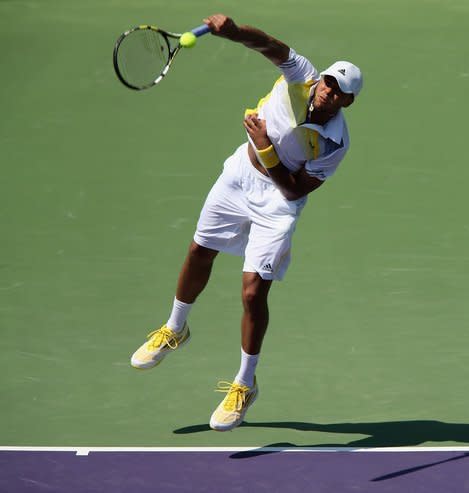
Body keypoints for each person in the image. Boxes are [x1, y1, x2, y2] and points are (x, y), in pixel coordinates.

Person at [129, 13, 362, 431]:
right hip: (238, 177)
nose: (327, 91)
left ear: (347, 102)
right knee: (201, 250)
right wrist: (234, 32)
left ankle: (244, 384)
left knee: (254, 292)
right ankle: (174, 328)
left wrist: (266, 147)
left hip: (278, 203)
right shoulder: (301, 76)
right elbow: (270, 45)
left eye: (338, 91)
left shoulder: (335, 144)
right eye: (328, 82)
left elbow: (293, 190)